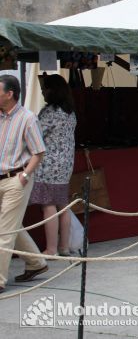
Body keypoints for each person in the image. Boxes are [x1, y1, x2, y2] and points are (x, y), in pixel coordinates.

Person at [0, 75, 47, 294]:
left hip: (17, 179)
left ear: (9, 94)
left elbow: (39, 152)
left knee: (4, 232)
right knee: (11, 226)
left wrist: (25, 176)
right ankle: (36, 263)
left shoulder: (28, 118)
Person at [29, 74, 77, 256]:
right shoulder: (70, 112)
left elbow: (35, 134)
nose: (42, 92)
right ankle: (64, 247)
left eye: (45, 89)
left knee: (48, 205)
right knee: (63, 205)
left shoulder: (49, 112)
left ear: (52, 91)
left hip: (49, 164)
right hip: (66, 164)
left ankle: (51, 248)